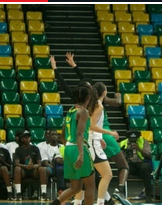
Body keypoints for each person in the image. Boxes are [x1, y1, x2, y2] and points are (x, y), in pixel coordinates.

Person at [52, 53, 130, 195]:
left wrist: (64, 68)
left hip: (89, 138)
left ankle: (96, 199)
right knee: (110, 171)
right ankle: (112, 194)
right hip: (95, 135)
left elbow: (77, 83)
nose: (91, 87)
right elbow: (74, 83)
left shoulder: (82, 103)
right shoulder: (94, 103)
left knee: (91, 174)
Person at [73, 82, 119, 205]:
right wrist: (110, 133)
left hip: (90, 141)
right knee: (107, 174)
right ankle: (100, 203)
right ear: (104, 92)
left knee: (84, 175)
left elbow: (89, 126)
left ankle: (77, 202)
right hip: (92, 144)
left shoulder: (91, 104)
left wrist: (99, 138)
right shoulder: (98, 105)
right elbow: (92, 125)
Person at [50, 86, 95, 205]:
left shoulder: (70, 111)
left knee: (75, 187)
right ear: (88, 98)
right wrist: (80, 153)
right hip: (78, 147)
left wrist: (68, 149)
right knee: (90, 185)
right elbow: (80, 134)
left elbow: (63, 134)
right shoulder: (83, 112)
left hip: (68, 148)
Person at [13, 130, 49, 200]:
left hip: (33, 171)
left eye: (28, 137)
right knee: (17, 168)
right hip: (23, 171)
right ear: (22, 139)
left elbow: (39, 163)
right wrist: (26, 166)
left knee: (42, 168)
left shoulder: (35, 148)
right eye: (25, 137)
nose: (27, 138)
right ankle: (18, 193)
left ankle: (43, 193)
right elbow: (16, 163)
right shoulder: (18, 149)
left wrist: (34, 166)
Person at [120, 129, 153, 203]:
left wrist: (138, 148)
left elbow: (149, 156)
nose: (133, 140)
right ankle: (122, 194)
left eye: (135, 138)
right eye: (131, 139)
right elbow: (119, 157)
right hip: (129, 164)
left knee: (145, 167)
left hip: (141, 163)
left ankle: (148, 195)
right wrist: (125, 154)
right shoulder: (123, 143)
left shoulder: (143, 141)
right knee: (123, 168)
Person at [37, 130, 66, 196]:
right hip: (51, 166)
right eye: (52, 135)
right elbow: (45, 162)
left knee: (61, 168)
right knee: (47, 169)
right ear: (49, 137)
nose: (54, 136)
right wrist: (54, 165)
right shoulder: (45, 148)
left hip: (63, 165)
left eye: (56, 135)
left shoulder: (62, 146)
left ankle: (66, 191)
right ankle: (44, 192)